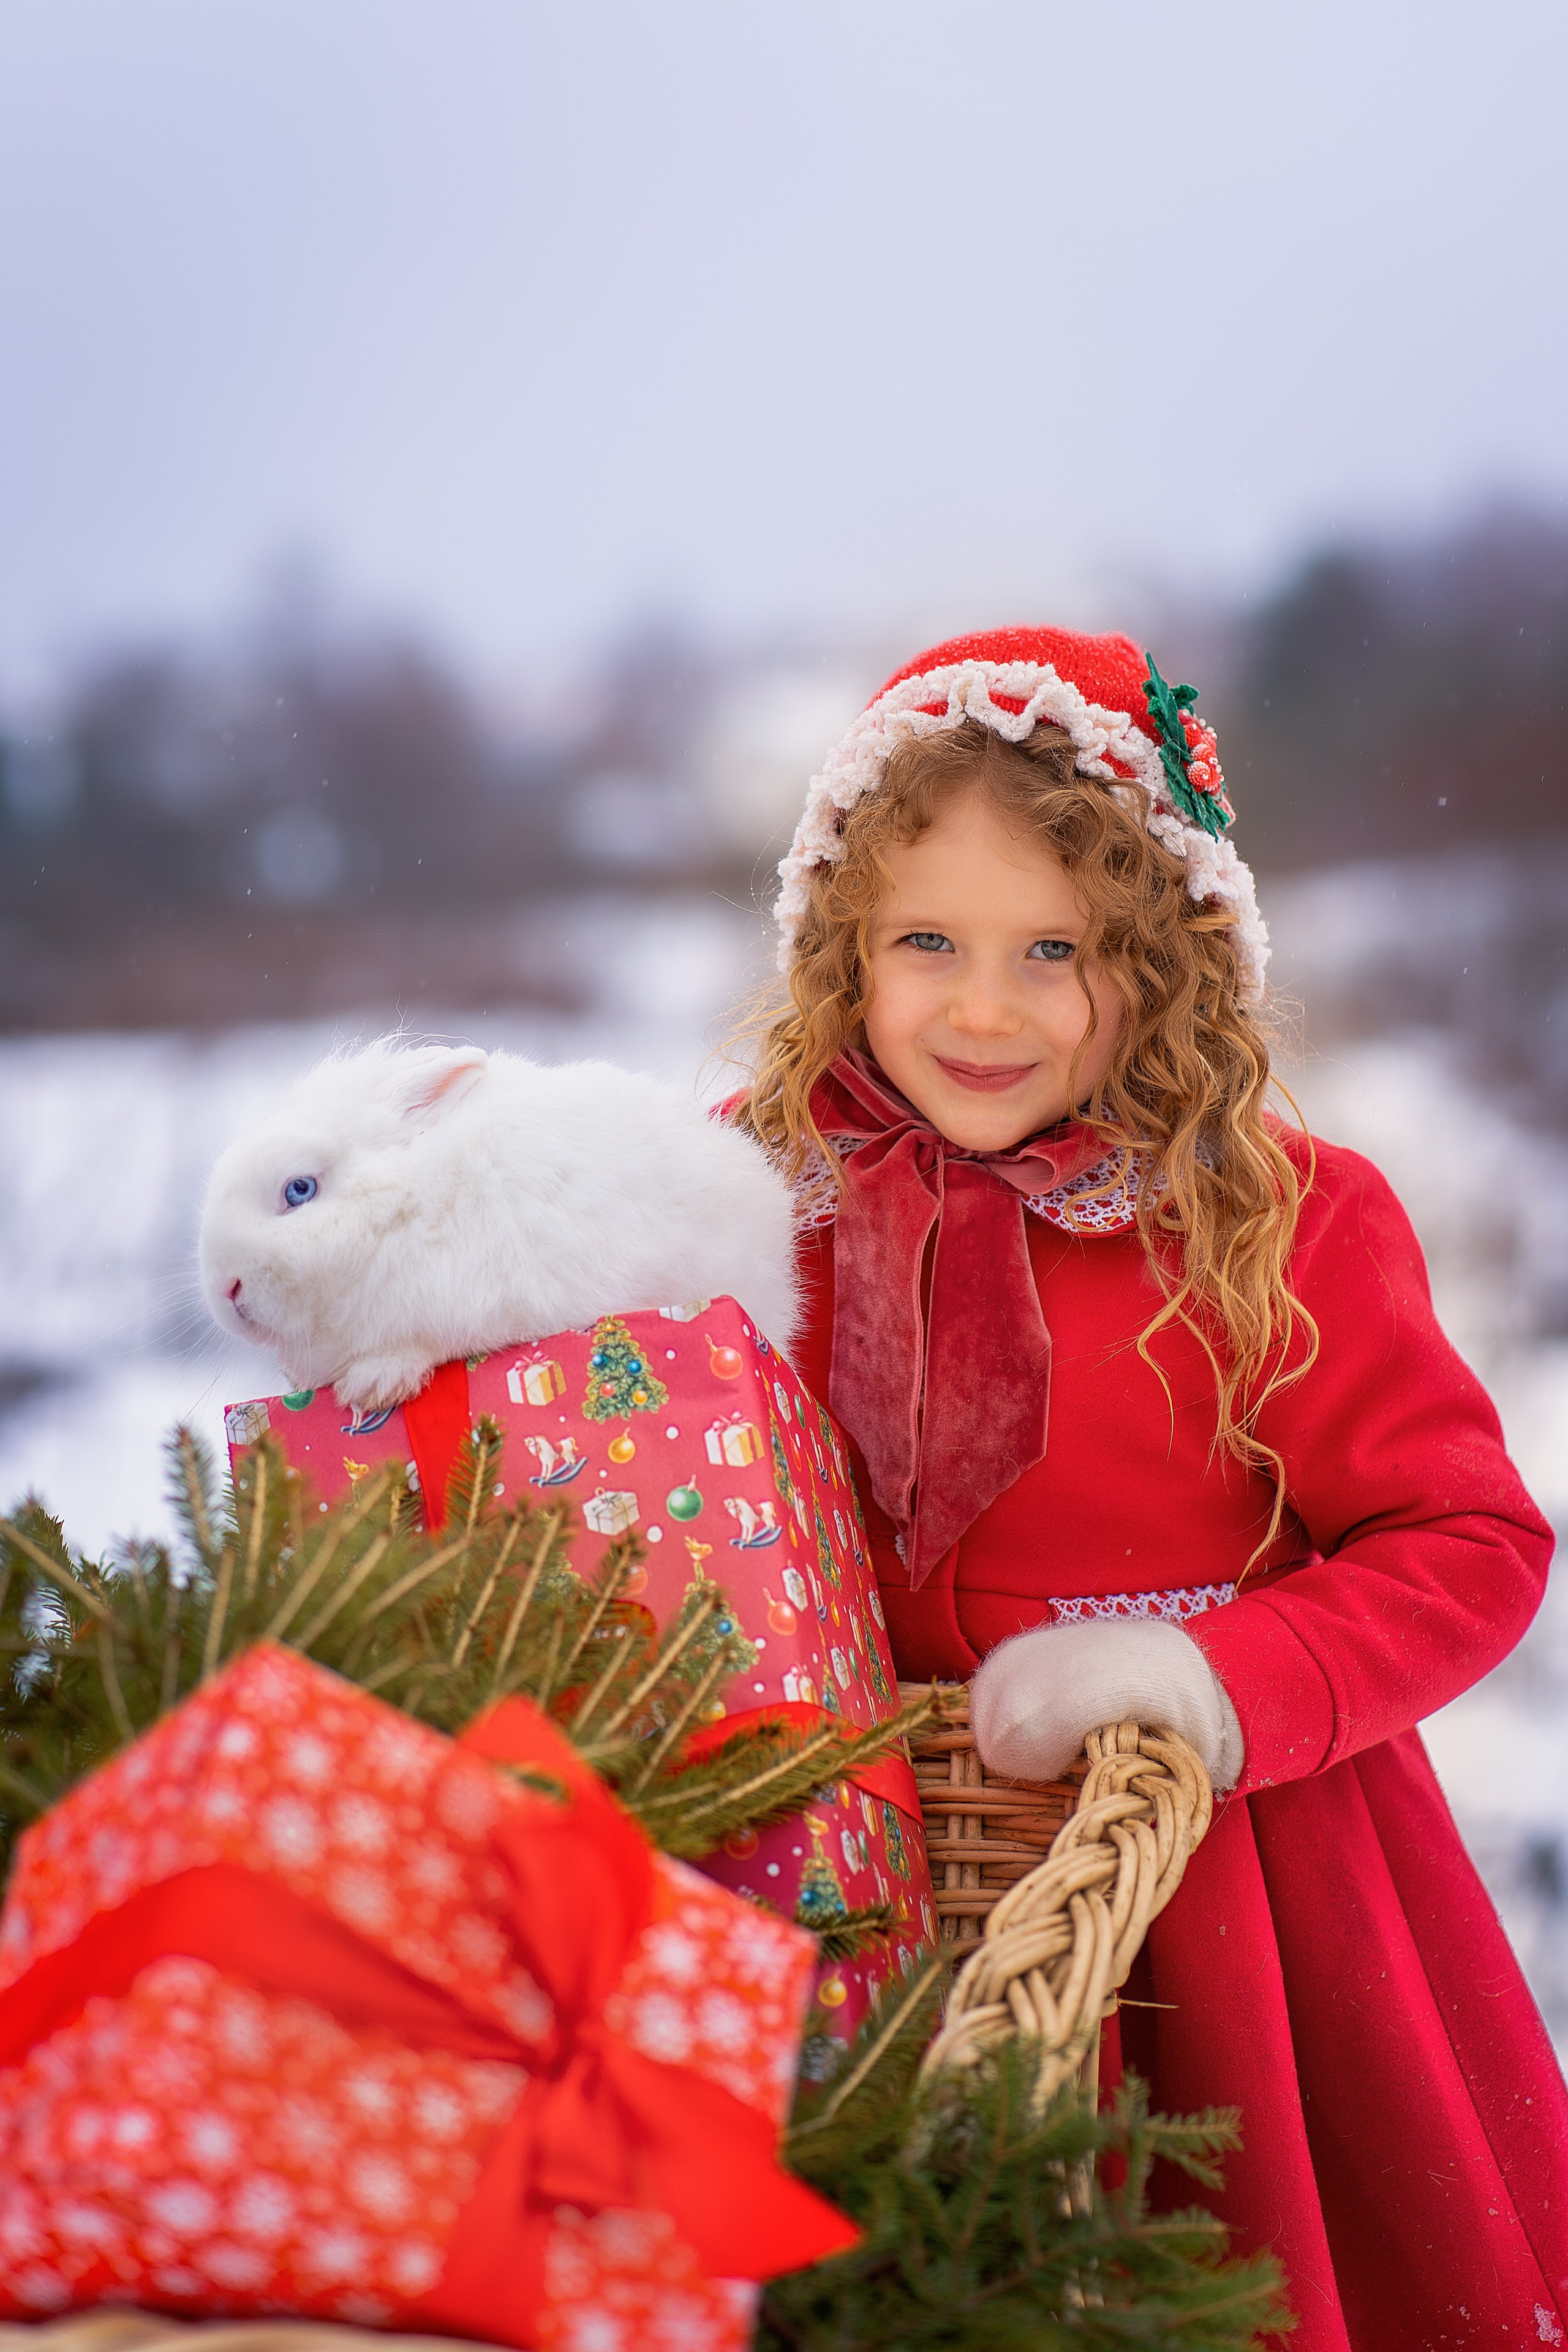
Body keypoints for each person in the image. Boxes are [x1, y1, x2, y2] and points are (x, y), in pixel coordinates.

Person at [729, 625, 1566, 2349]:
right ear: (844, 948)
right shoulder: (761, 1211)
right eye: (928, 943)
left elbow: (1469, 1542)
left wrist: (1210, 1683)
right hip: (870, 1890)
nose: (983, 1007)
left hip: (1230, 1902)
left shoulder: (1276, 1218)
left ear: (1169, 963)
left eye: (1060, 951)